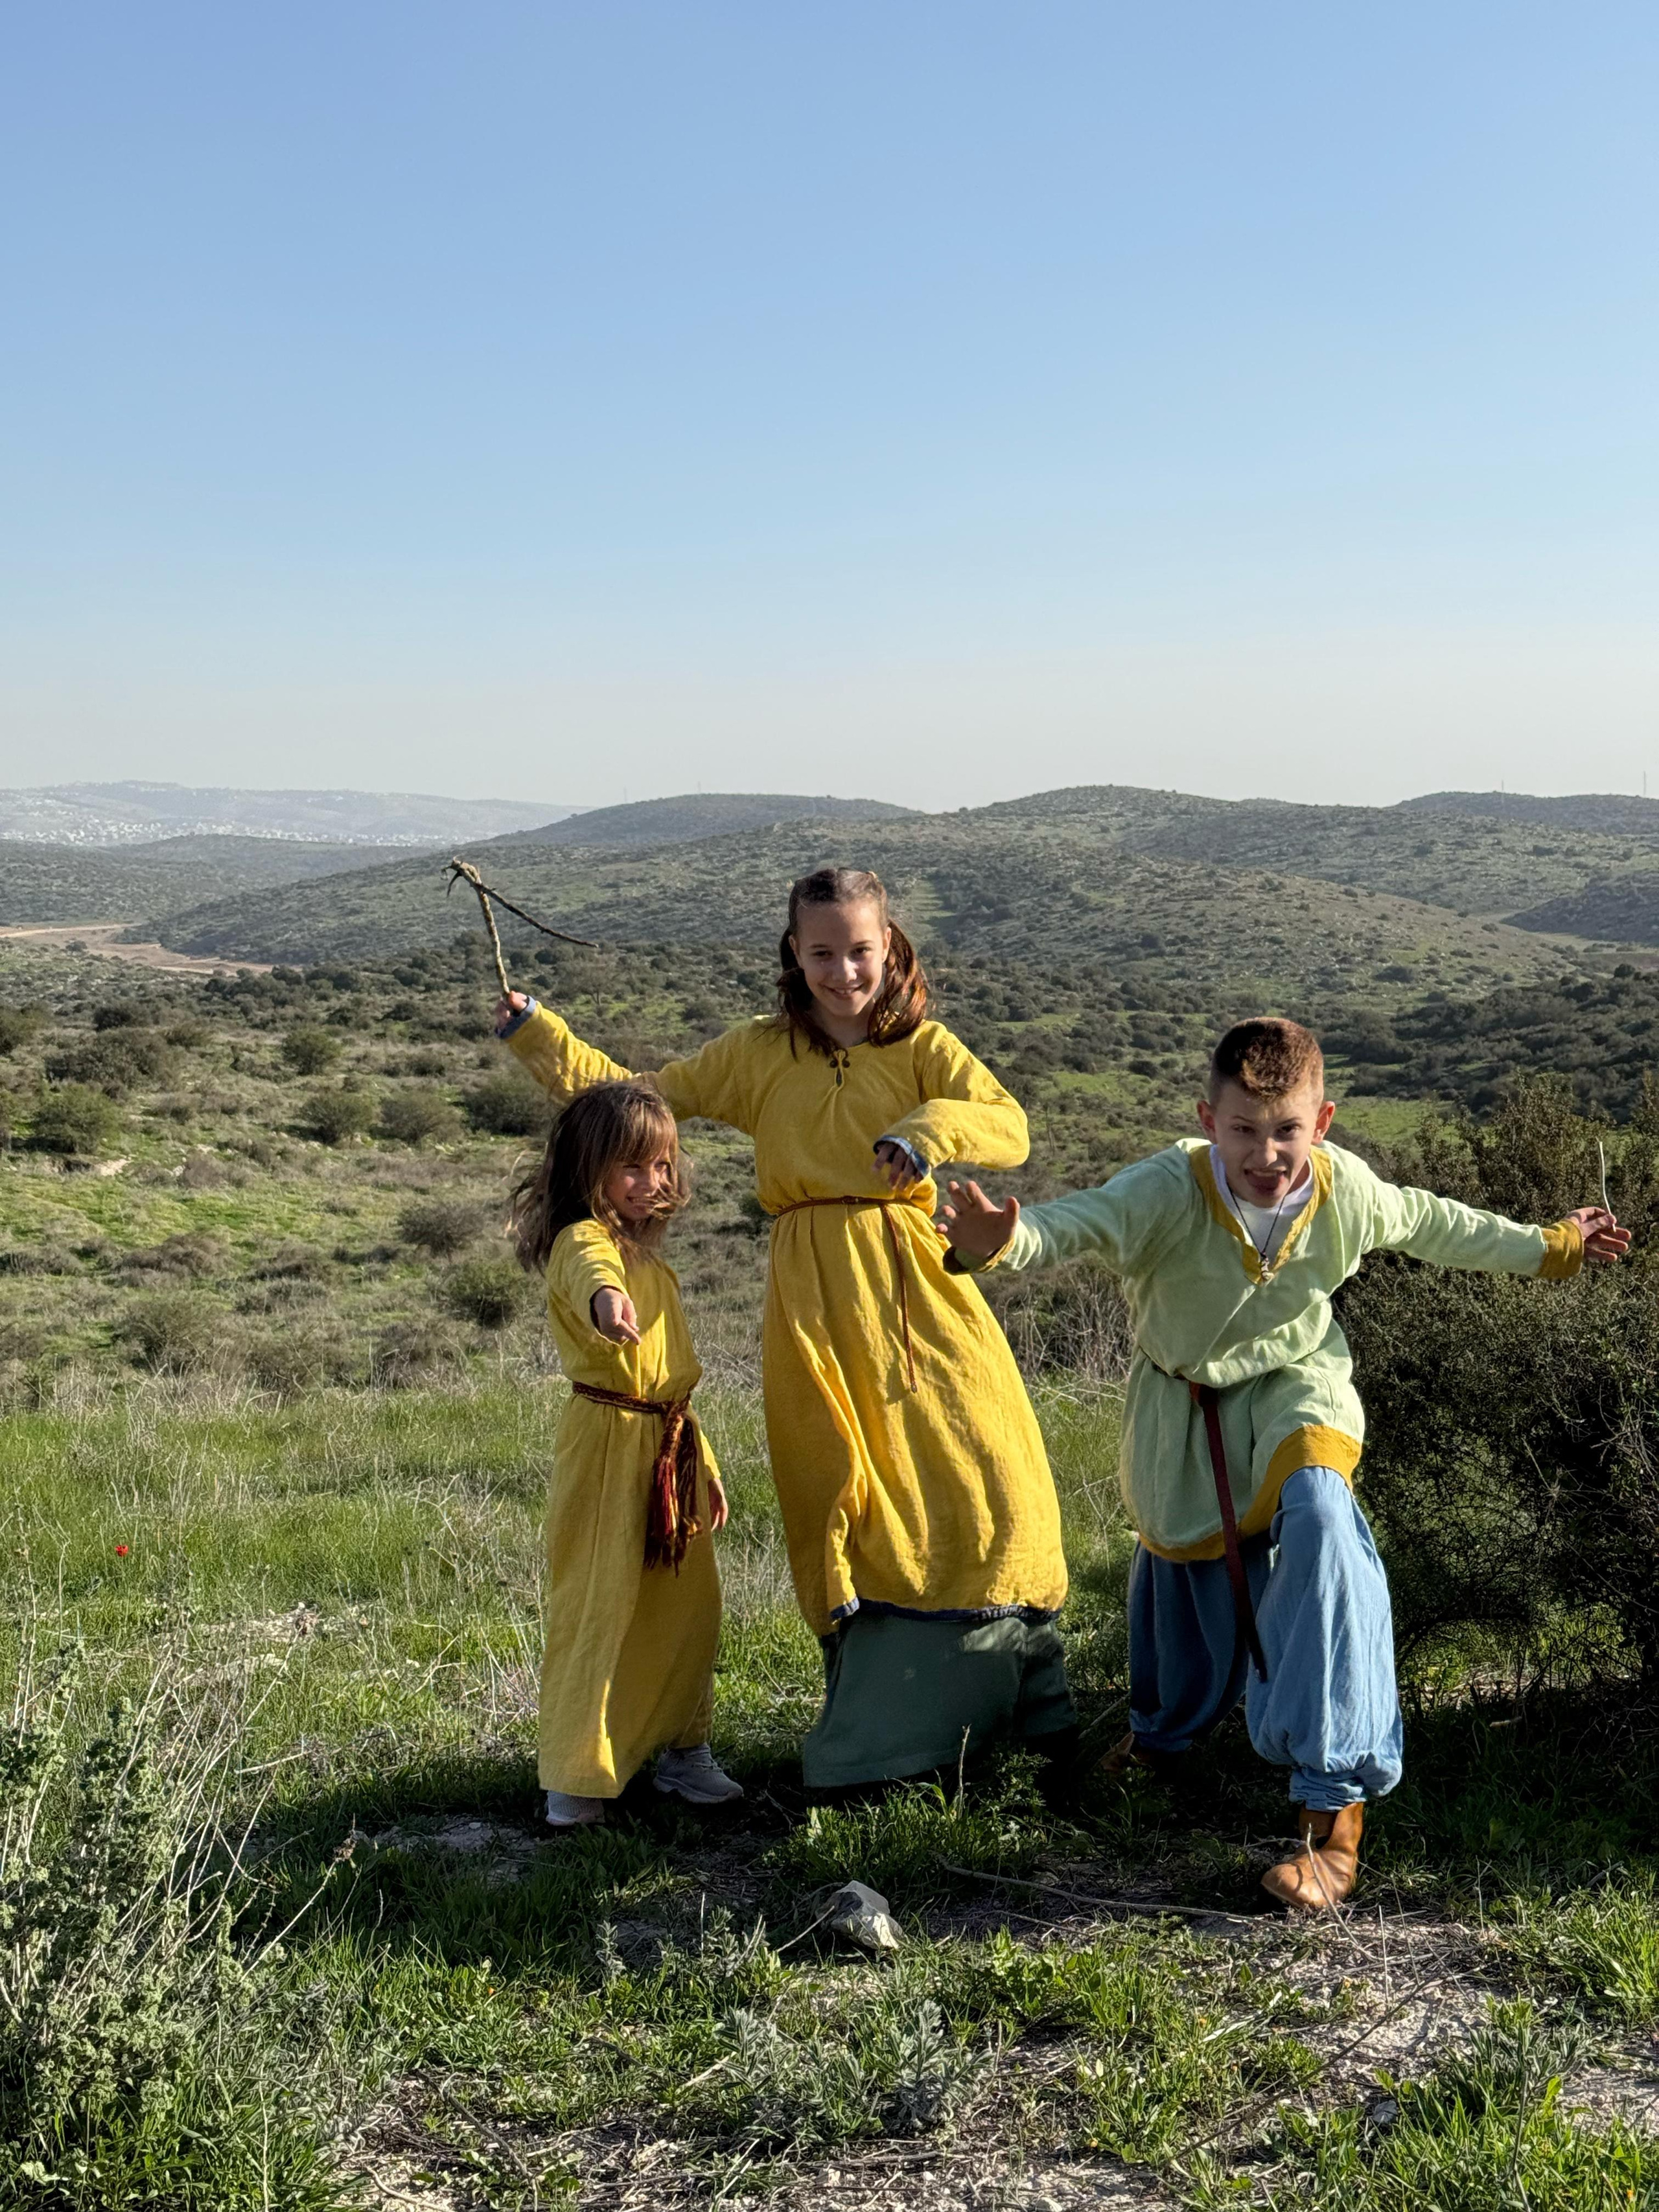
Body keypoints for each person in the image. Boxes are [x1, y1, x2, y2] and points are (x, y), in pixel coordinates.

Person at [941, 1016, 1630, 1909]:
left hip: (1300, 1384)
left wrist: (1552, 1244)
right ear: (1208, 1117)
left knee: (1322, 1518)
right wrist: (1005, 1242)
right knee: (1181, 1564)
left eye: (1286, 1130)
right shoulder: (1167, 1187)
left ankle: (1331, 1813)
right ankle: (1164, 1740)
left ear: (1324, 1120)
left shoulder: (1347, 1192)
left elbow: (1437, 1222)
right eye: (1242, 1130)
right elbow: (1077, 1223)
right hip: (1183, 1402)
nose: (1266, 1153)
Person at [496, 865, 1074, 1790]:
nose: (843, 971)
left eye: (860, 950)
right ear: (794, 956)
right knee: (840, 1485)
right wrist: (540, 1037)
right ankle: (881, 1720)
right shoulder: (761, 1054)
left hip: (921, 1289)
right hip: (812, 1300)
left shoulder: (925, 1046)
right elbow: (639, 1101)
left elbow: (1007, 1124)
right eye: (822, 953)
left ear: (891, 950)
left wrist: (926, 1131)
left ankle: (1013, 1688)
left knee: (980, 1465)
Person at [507, 1078, 743, 1827]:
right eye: (633, 1167)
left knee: (686, 1606)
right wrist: (607, 1304)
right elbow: (590, 1277)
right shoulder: (588, 1243)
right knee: (601, 1603)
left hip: (666, 1442)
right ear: (591, 1172)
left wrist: (699, 1469)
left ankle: (682, 1752)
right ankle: (575, 1777)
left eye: (663, 1165)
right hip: (610, 1444)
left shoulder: (646, 1252)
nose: (653, 1182)